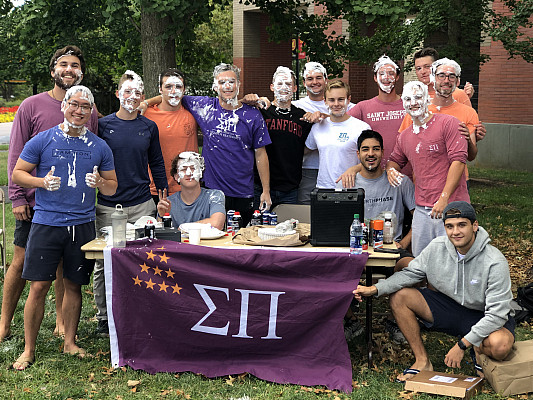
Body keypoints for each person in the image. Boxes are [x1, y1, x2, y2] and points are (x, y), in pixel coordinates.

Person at [11, 86, 117, 370]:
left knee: (73, 284)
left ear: (91, 111)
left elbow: (112, 184)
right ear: (64, 106)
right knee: (39, 286)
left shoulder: (99, 146)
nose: (79, 110)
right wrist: (41, 182)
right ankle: (29, 349)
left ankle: (70, 342)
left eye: (85, 106)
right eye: (74, 104)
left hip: (82, 224)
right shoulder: (42, 140)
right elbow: (18, 173)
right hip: (46, 222)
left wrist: (101, 185)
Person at [353, 201, 515, 382]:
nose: (456, 232)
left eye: (462, 225)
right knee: (400, 296)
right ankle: (422, 361)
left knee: (500, 346)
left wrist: (462, 345)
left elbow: (497, 314)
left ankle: (477, 348)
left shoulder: (494, 261)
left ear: (475, 226)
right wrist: (376, 289)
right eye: (450, 226)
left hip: (484, 315)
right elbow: (411, 274)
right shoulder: (437, 247)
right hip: (450, 308)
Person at [2, 45, 98, 342]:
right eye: (63, 64)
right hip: (33, 203)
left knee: (62, 267)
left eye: (75, 65)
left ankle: (60, 320)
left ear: (81, 72)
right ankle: (4, 322)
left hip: (69, 206)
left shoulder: (85, 110)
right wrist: (17, 196)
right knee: (21, 262)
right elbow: (17, 154)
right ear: (53, 70)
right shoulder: (31, 105)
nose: (69, 69)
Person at [93, 70, 167, 336]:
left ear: (142, 97)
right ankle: (103, 316)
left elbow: (157, 162)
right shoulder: (103, 126)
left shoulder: (149, 127)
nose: (132, 96)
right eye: (127, 91)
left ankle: (141, 308)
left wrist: (162, 193)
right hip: (109, 207)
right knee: (105, 260)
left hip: (142, 204)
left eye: (137, 93)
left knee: (143, 257)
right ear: (117, 94)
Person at [386, 81, 469, 257]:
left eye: (418, 97)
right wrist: (389, 170)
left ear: (427, 99)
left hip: (452, 207)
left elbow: (459, 161)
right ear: (403, 104)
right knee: (422, 261)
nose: (413, 102)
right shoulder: (405, 136)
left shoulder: (448, 123)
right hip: (422, 210)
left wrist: (444, 198)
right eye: (408, 99)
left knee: (452, 261)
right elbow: (394, 161)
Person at [245, 66, 313, 209]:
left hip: (290, 188)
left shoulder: (302, 117)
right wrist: (250, 100)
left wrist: (319, 115)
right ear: (271, 87)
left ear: (295, 88)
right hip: (260, 186)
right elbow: (235, 108)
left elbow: (306, 148)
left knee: (287, 228)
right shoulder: (261, 112)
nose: (284, 88)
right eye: (279, 83)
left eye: (288, 84)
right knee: (259, 228)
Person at [347, 55, 410, 177]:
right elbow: (339, 122)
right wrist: (322, 116)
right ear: (375, 78)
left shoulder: (409, 105)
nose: (386, 77)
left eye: (391, 73)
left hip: (406, 176)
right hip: (375, 176)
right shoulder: (362, 107)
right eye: (382, 73)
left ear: (397, 77)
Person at [144, 68, 198, 204]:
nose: (173, 91)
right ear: (160, 89)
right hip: (154, 190)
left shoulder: (194, 112)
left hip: (187, 188)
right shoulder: (145, 114)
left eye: (178, 86)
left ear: (184, 90)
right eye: (168, 87)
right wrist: (145, 103)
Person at [354, 130, 415, 250]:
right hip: (359, 248)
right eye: (365, 149)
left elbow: (420, 217)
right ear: (358, 154)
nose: (370, 154)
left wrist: (403, 244)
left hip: (391, 248)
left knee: (411, 266)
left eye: (376, 149)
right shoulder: (347, 183)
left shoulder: (400, 181)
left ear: (382, 153)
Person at [304, 80, 370, 189]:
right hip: (323, 188)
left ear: (348, 100)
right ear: (325, 101)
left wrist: (353, 169)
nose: (336, 104)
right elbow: (304, 151)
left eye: (340, 99)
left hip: (352, 188)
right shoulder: (317, 127)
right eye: (331, 100)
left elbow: (371, 159)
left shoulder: (362, 128)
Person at [156, 152, 225, 229]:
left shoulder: (214, 196)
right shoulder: (168, 203)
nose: (189, 173)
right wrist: (161, 216)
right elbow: (160, 234)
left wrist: (185, 227)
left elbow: (217, 224)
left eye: (193, 168)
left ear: (200, 172)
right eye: (184, 169)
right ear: (176, 176)